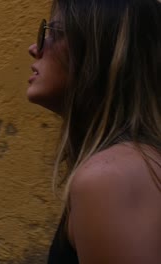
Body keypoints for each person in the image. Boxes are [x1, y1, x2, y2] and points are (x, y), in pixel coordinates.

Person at [27, 0, 161, 263]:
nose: (34, 48)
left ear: (99, 51)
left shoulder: (107, 179)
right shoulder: (141, 161)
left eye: (51, 33)